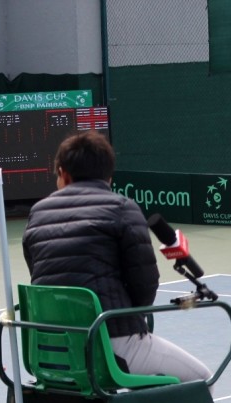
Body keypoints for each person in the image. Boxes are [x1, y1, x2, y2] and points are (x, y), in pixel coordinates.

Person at [22, 131, 210, 383]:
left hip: (49, 353)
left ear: (62, 173)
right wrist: (129, 318)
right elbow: (145, 284)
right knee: (202, 380)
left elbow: (38, 275)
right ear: (109, 177)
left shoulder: (37, 213)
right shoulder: (122, 208)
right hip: (112, 348)